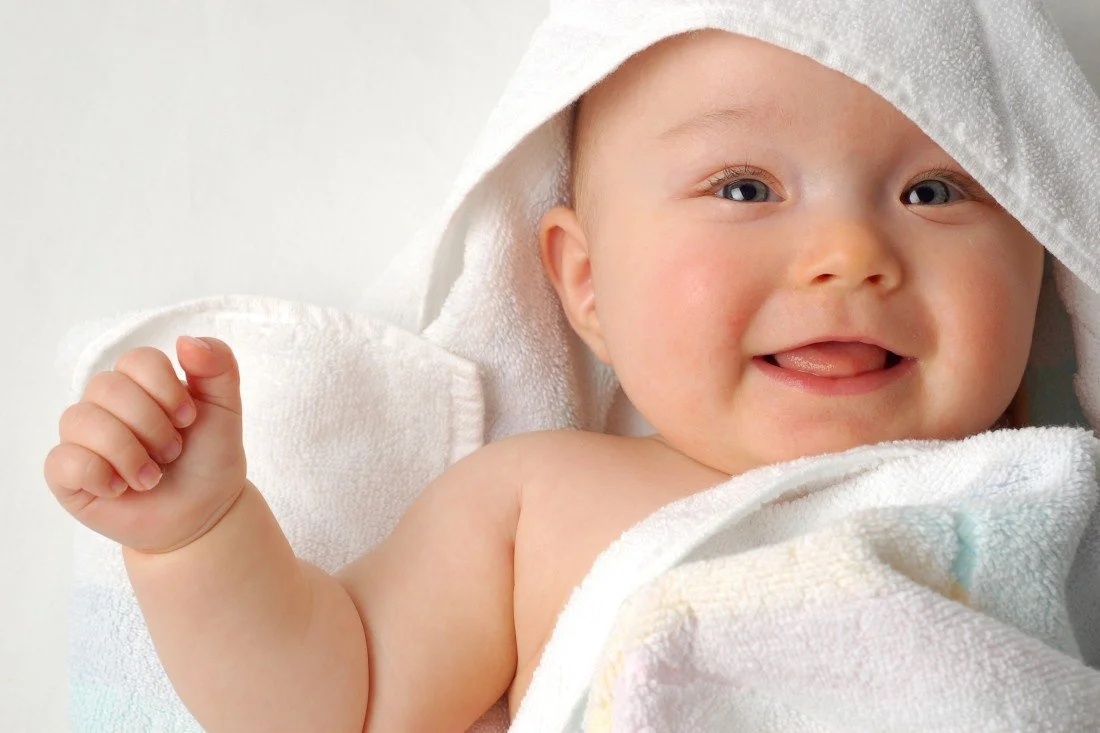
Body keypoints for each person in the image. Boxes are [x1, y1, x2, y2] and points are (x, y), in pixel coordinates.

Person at [43, 29, 1049, 732]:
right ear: (585, 283)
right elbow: (334, 706)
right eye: (743, 188)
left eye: (933, 190)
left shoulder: (1040, 490)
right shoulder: (538, 502)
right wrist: (198, 537)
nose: (845, 252)